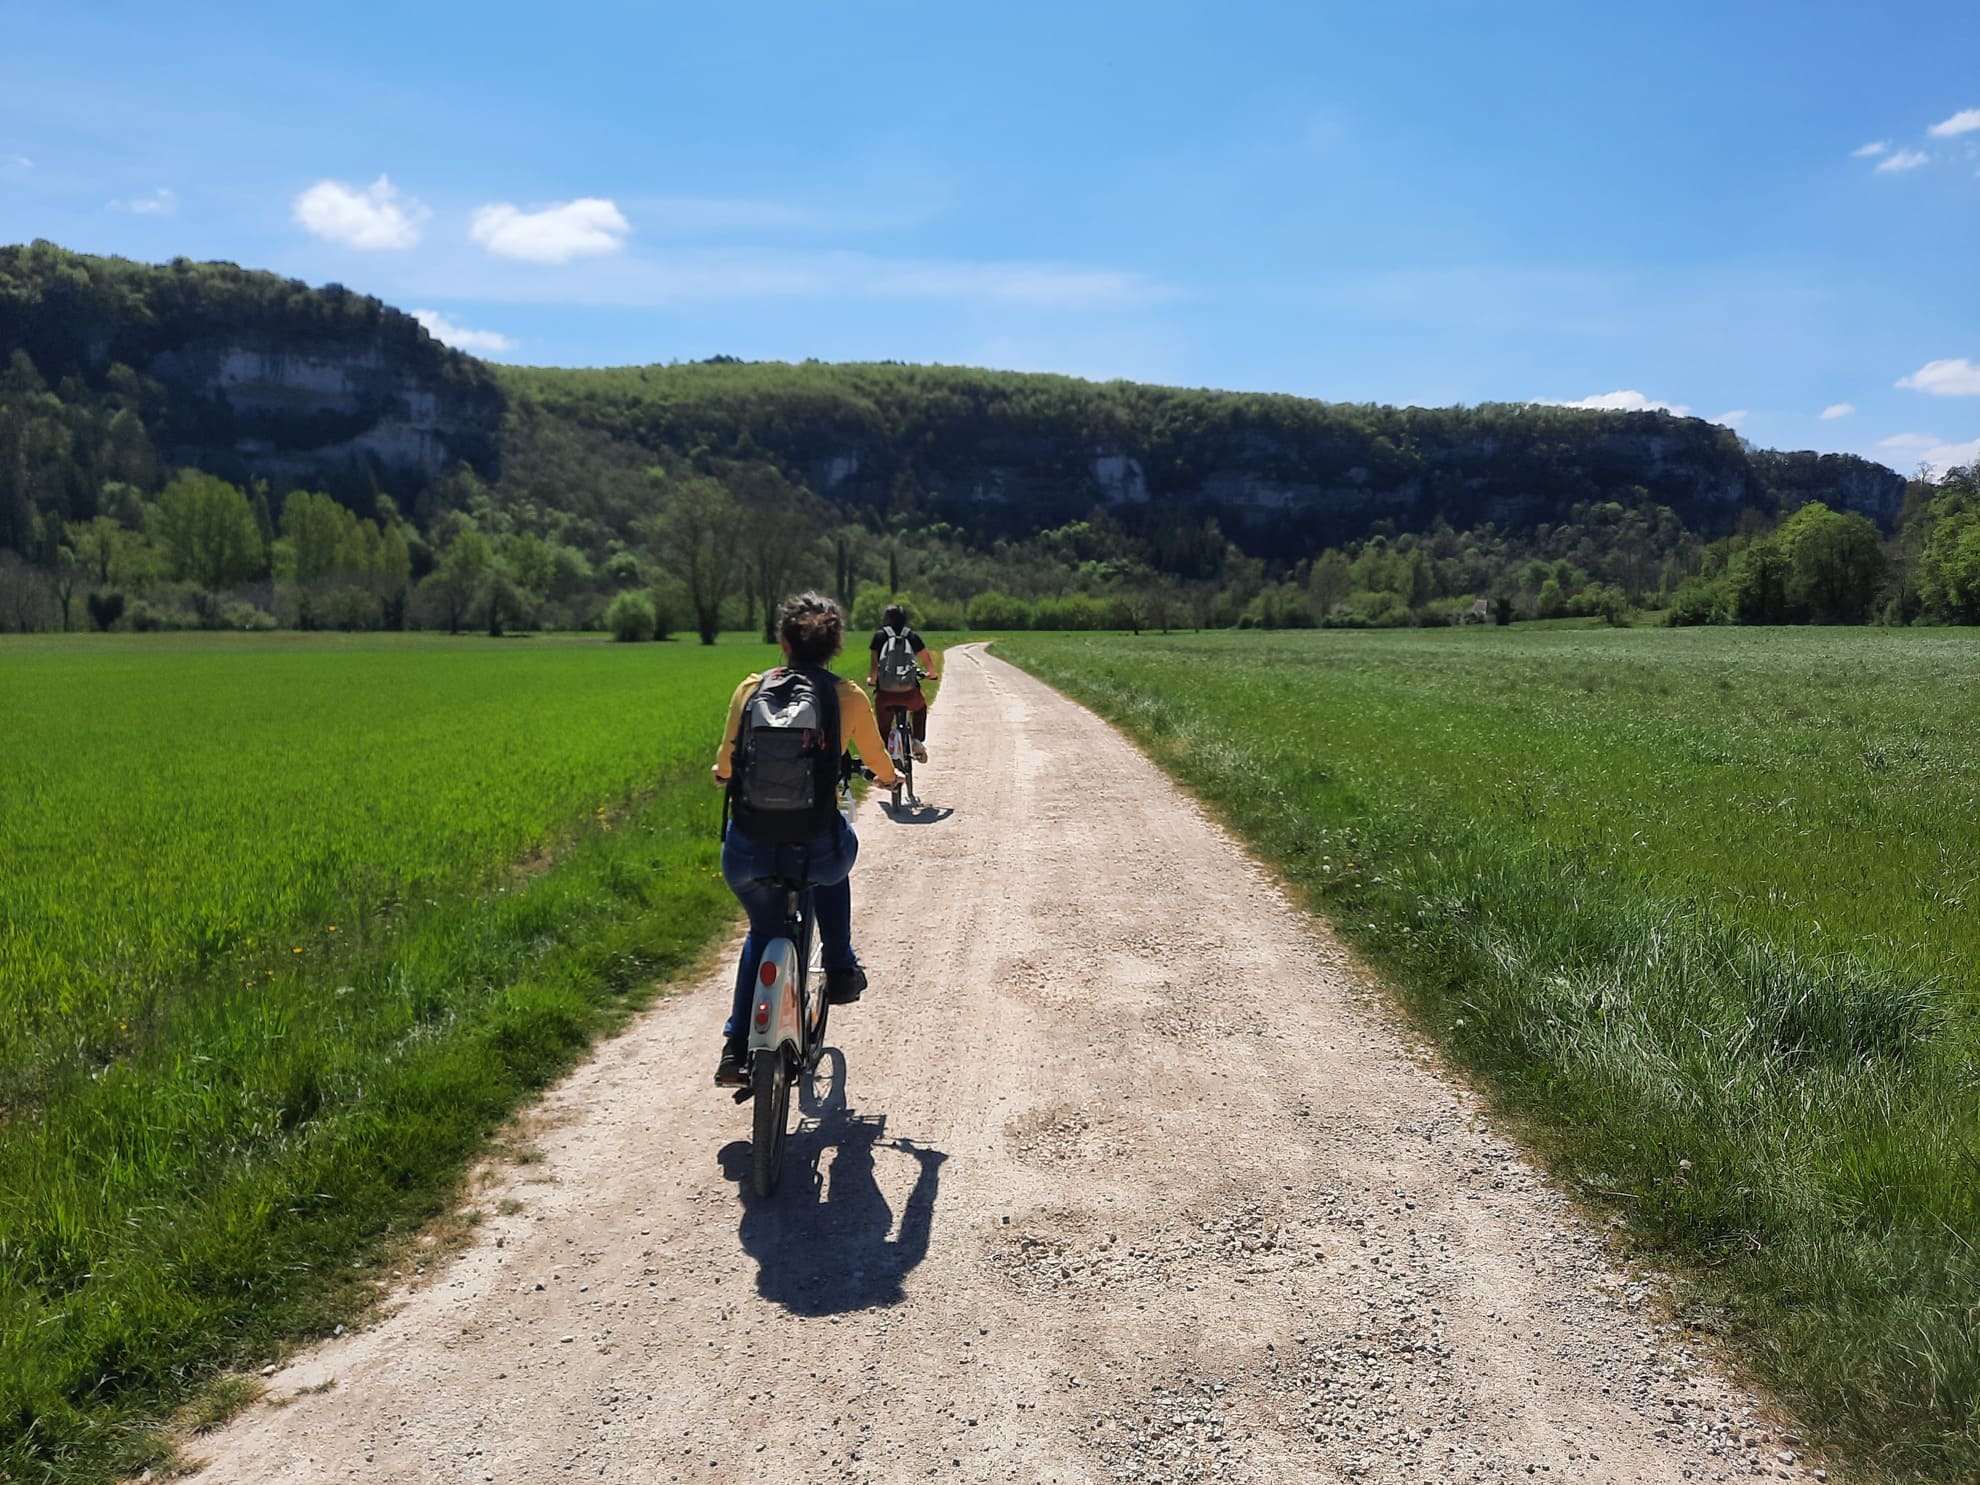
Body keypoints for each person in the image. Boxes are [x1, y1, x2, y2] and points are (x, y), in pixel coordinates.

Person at [710, 592, 901, 1087]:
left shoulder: (751, 689)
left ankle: (734, 1047)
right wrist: (889, 779)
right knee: (836, 860)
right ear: (835, 647)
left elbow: (727, 762)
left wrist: (722, 774)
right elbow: (876, 760)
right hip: (815, 844)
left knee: (762, 930)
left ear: (783, 640)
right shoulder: (848, 696)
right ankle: (839, 967)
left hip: (747, 849)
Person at [868, 603, 940, 764]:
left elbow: (874, 666)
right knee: (920, 707)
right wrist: (932, 674)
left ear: (887, 619)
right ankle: (916, 740)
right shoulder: (912, 636)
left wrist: (872, 680)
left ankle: (885, 751)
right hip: (909, 694)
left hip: (885, 695)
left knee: (883, 720)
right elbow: (927, 659)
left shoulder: (879, 637)